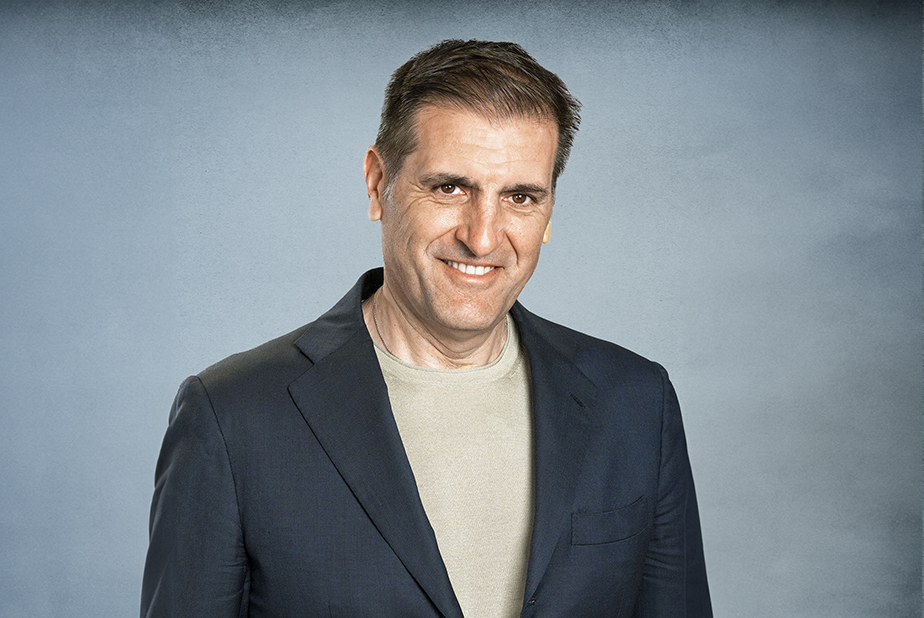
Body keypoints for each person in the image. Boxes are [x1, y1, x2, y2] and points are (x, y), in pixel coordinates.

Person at [141, 39, 712, 617]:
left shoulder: (636, 404)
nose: (482, 238)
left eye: (519, 197)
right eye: (449, 188)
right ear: (377, 184)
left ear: (549, 212)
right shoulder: (232, 416)